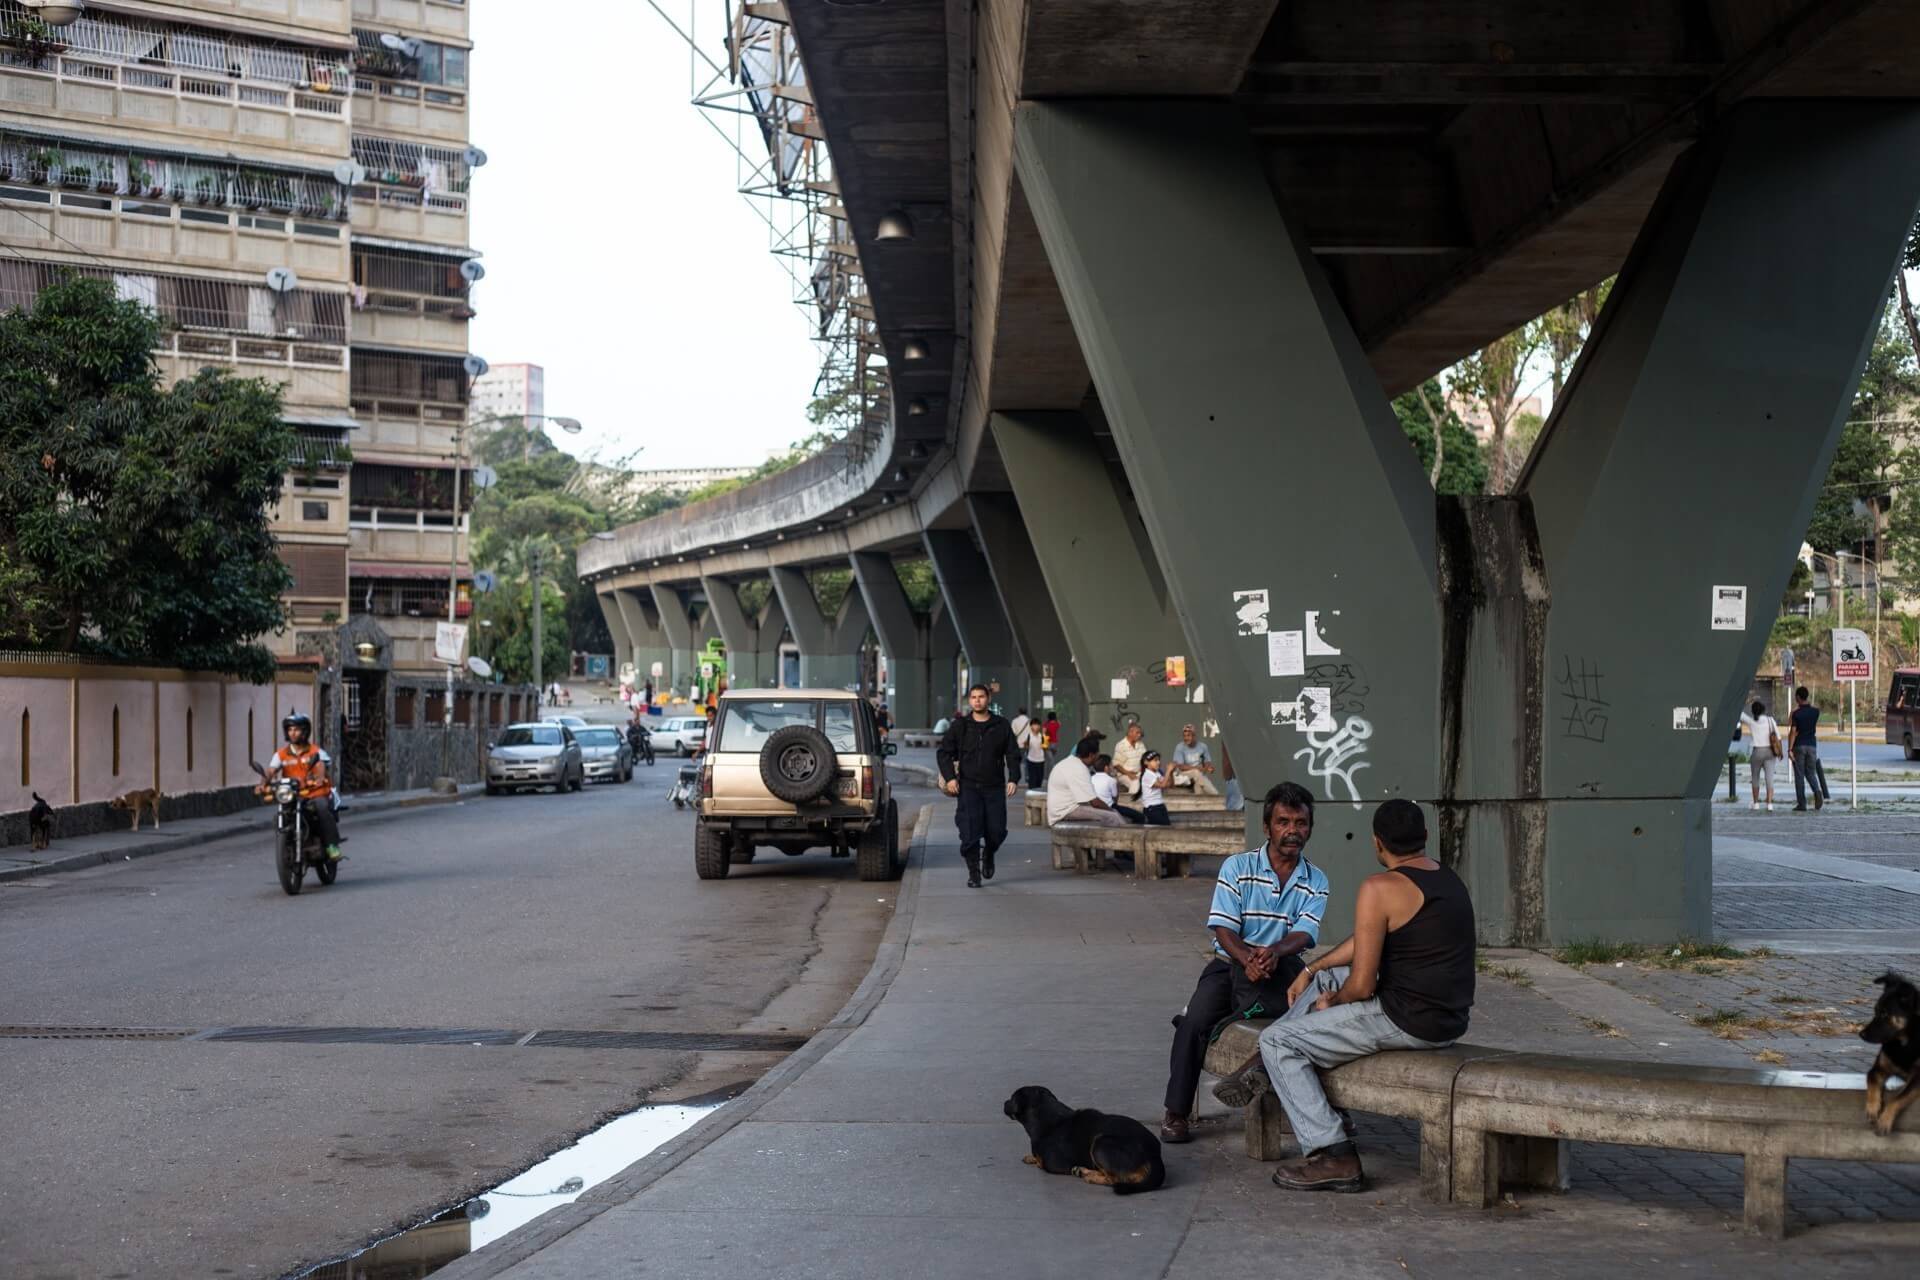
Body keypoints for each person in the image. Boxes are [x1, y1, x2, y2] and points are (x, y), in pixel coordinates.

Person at [1213, 799, 1474, 1193]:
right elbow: (1366, 941)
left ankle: (1333, 1153)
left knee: (1278, 1041)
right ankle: (1263, 1068)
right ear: (1423, 838)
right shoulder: (1446, 877)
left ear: (1376, 842)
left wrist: (1332, 1004)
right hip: (1448, 1018)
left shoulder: (1379, 886)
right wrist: (1310, 969)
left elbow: (1363, 987)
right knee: (1328, 977)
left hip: (1406, 1020)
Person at [1161, 781, 1329, 1144]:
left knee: (1322, 1018)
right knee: (1193, 1023)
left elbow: (1305, 933)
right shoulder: (1237, 866)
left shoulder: (1316, 879)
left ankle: (1331, 1112)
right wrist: (1247, 959)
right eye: (1283, 822)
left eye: (1300, 823)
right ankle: (1176, 1112)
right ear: (1267, 827)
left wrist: (1274, 954)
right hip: (1229, 962)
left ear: (1310, 829)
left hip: (1283, 965)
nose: (1292, 831)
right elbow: (1222, 927)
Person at [936, 683, 1022, 888]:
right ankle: (974, 873)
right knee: (969, 832)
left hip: (994, 787)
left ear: (988, 699)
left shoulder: (1001, 725)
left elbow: (1012, 754)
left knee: (997, 830)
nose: (977, 700)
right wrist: (950, 778)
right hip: (967, 787)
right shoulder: (960, 726)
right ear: (970, 700)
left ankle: (990, 852)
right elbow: (944, 753)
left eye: (981, 696)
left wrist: (1013, 779)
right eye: (973, 697)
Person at [257, 712, 342, 862]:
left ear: (305, 731)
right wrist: (263, 784)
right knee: (281, 812)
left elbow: (321, 765)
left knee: (322, 808)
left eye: (296, 729)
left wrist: (320, 779)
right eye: (290, 730)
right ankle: (286, 843)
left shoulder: (315, 751)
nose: (293, 733)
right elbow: (271, 770)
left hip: (314, 793)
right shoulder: (281, 754)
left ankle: (331, 846)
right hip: (293, 794)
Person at [1046, 736, 1130, 827]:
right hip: (1065, 812)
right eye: (1097, 754)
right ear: (1091, 755)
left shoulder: (1068, 762)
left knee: (1110, 814)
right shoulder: (1080, 768)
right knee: (1113, 816)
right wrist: (1111, 810)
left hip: (1058, 810)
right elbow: (1095, 803)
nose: (1098, 757)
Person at [1788, 685, 1829, 813]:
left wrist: (1789, 749)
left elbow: (1793, 730)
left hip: (1799, 745)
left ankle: (1802, 803)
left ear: (1798, 698)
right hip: (1812, 745)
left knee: (1799, 775)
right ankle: (1817, 791)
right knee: (1810, 772)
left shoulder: (1796, 714)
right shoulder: (1815, 712)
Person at [1740, 698, 1780, 811]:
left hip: (1757, 752)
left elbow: (1741, 715)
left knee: (1755, 777)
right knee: (1769, 778)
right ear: (1763, 710)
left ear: (1753, 711)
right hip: (1770, 752)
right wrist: (1780, 752)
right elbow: (1778, 737)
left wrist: (1744, 701)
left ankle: (1756, 803)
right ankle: (1769, 803)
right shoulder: (1770, 720)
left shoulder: (1751, 721)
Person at [1091, 753, 1143, 823]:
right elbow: (1115, 799)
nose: (1112, 768)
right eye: (1111, 765)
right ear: (1106, 768)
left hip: (1094, 807)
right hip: (1110, 807)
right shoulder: (1111, 780)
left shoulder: (1091, 778)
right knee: (1139, 816)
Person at [1168, 725, 1219, 794]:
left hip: (1199, 776)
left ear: (1194, 736)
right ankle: (1215, 794)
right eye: (1184, 736)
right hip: (1182, 775)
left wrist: (1209, 768)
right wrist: (1198, 768)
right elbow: (1181, 767)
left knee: (1198, 786)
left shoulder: (1203, 747)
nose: (1186, 738)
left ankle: (1207, 798)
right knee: (1196, 773)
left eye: (1188, 735)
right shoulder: (1180, 747)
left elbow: (1207, 763)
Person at [1110, 722, 1147, 803]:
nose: (1139, 735)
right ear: (1130, 732)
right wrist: (1129, 774)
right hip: (1124, 774)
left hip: (1139, 773)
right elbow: (1116, 765)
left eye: (1140, 733)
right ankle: (1130, 803)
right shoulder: (1121, 745)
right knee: (1135, 782)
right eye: (1137, 733)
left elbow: (1145, 760)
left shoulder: (1140, 744)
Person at [1138, 750, 1171, 826]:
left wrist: (1171, 773)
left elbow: (1170, 785)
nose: (1158, 762)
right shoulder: (1147, 775)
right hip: (1152, 808)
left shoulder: (1157, 773)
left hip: (1160, 806)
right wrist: (1168, 771)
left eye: (1159, 760)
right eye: (1155, 760)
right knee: (1160, 831)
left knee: (1166, 829)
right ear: (1146, 762)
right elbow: (1162, 785)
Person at [1022, 711, 1048, 790]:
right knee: (1032, 779)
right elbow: (1026, 746)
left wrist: (1044, 735)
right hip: (1031, 760)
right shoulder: (1029, 736)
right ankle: (1031, 794)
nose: (1036, 727)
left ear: (1039, 726)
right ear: (1031, 726)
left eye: (1037, 725)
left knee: (1039, 779)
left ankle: (1038, 794)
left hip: (1040, 760)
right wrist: (1026, 744)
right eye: (1034, 725)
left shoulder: (1042, 736)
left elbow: (1045, 747)